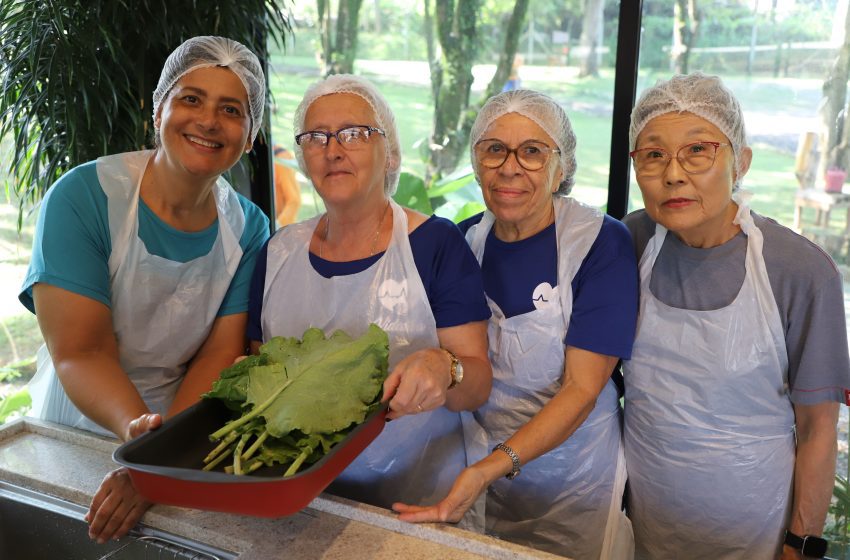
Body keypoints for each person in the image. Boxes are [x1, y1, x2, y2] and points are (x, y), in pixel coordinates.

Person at [20, 36, 270, 542]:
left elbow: (219, 355)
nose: (208, 121)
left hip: (178, 434)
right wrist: (143, 445)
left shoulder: (249, 229)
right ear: (159, 111)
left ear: (250, 137)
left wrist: (162, 457)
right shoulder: (85, 197)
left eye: (231, 109)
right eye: (191, 99)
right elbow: (81, 351)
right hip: (75, 430)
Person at [393, 89, 638, 560]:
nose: (510, 168)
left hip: (573, 482)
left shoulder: (598, 243)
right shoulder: (462, 243)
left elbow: (582, 389)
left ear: (561, 168)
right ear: (476, 162)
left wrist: (491, 467)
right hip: (476, 474)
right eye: (494, 149)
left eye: (532, 152)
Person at [623, 72, 850, 560]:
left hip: (755, 527)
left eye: (697, 150)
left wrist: (800, 543)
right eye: (653, 154)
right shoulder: (629, 243)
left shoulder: (800, 271)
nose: (673, 174)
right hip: (644, 519)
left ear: (740, 161)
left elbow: (818, 428)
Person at [247, 74, 493, 516]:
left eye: (355, 133)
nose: (333, 150)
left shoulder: (434, 244)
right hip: (300, 499)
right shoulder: (279, 253)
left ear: (391, 152)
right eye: (316, 136)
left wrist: (446, 367)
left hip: (414, 503)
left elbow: (476, 385)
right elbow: (259, 371)